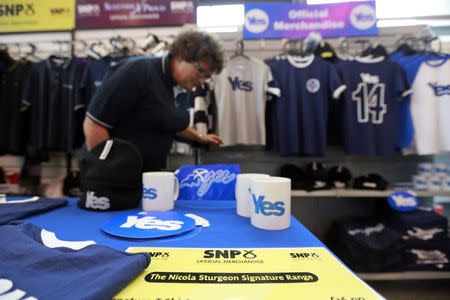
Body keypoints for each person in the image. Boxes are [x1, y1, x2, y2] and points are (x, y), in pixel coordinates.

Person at [82, 29, 225, 171]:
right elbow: (94, 123)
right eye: (200, 71)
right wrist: (106, 170)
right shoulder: (137, 71)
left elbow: (166, 121)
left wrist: (199, 137)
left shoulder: (180, 86)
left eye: (207, 76)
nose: (201, 81)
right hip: (115, 176)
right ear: (181, 55)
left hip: (147, 173)